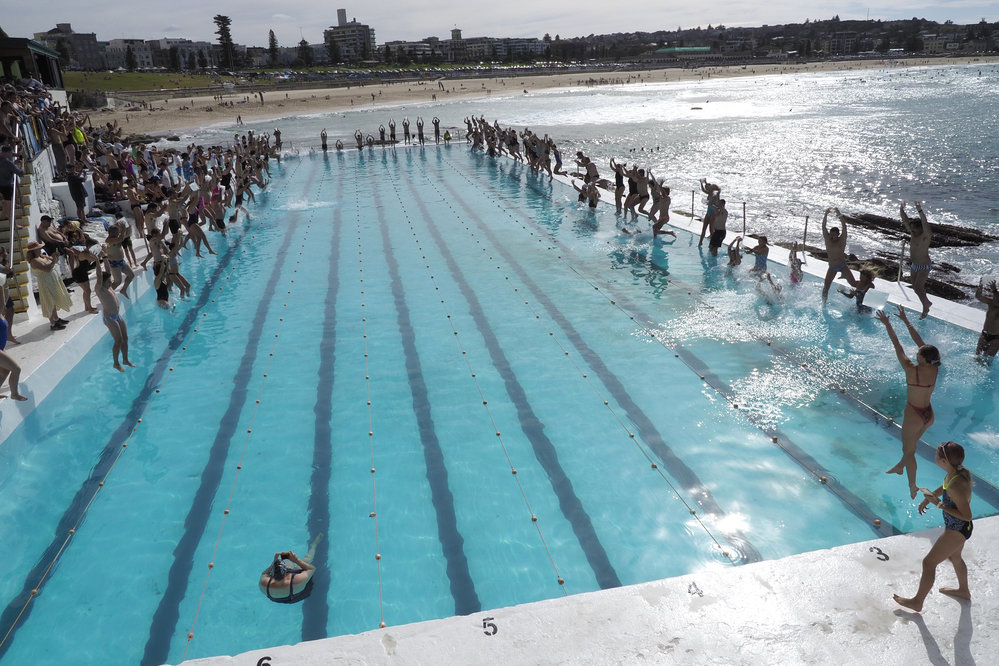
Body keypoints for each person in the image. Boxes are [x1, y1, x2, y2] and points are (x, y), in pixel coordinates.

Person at [893, 441, 973, 612]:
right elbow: (944, 487)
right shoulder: (954, 473)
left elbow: (967, 515)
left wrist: (940, 505)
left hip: (957, 529)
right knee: (955, 558)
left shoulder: (955, 485)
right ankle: (964, 591)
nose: (934, 456)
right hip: (958, 527)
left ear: (944, 461)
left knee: (929, 563)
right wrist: (929, 497)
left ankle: (917, 602)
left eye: (937, 455)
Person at [876, 305, 940, 498]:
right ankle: (899, 466)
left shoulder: (912, 370)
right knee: (911, 446)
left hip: (914, 415)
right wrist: (906, 321)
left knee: (909, 450)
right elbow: (921, 343)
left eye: (919, 353)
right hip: (929, 414)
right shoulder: (934, 367)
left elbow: (897, 345)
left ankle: (912, 485)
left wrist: (888, 324)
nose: (916, 353)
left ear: (922, 358)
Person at [95, 255, 134, 372]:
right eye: (108, 281)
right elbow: (99, 276)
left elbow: (107, 271)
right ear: (103, 282)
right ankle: (116, 363)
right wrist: (97, 260)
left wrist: (105, 257)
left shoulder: (109, 287)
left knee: (125, 338)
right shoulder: (100, 289)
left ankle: (125, 359)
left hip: (117, 316)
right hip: (110, 318)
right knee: (118, 340)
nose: (110, 282)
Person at [259, 534, 323, 604]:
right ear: (287, 572)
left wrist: (274, 562)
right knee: (306, 560)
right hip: (298, 595)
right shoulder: (297, 580)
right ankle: (313, 545)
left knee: (288, 562)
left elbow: (264, 573)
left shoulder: (264, 583)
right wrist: (297, 560)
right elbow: (312, 569)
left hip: (277, 598)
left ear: (273, 573)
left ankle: (287, 563)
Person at [26, 241, 72, 330]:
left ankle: (56, 319)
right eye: (38, 248)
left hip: (50, 280)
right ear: (34, 250)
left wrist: (55, 257)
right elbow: (47, 269)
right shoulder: (34, 260)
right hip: (45, 282)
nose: (40, 249)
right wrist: (54, 260)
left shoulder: (41, 256)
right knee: (49, 301)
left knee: (53, 299)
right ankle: (52, 323)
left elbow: (52, 261)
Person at [901, 201, 933, 319]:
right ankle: (926, 303)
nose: (912, 231)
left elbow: (925, 224)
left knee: (919, 287)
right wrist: (901, 209)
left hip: (924, 266)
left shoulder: (925, 237)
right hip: (914, 265)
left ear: (921, 229)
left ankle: (926, 305)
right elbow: (905, 221)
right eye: (912, 229)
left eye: (914, 229)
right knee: (915, 288)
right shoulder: (914, 235)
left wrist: (919, 210)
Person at [821, 207, 854, 299]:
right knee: (826, 288)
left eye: (835, 235)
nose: (832, 237)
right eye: (831, 234)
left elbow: (844, 227)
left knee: (853, 283)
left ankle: (856, 294)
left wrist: (839, 215)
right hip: (832, 267)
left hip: (842, 266)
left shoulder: (842, 240)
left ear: (838, 235)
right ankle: (824, 305)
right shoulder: (827, 240)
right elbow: (823, 227)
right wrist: (826, 214)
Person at [974, 278, 999, 360]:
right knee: (976, 358)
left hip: (995, 339)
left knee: (987, 362)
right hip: (984, 334)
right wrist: (980, 287)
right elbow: (978, 296)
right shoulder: (991, 302)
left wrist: (994, 290)